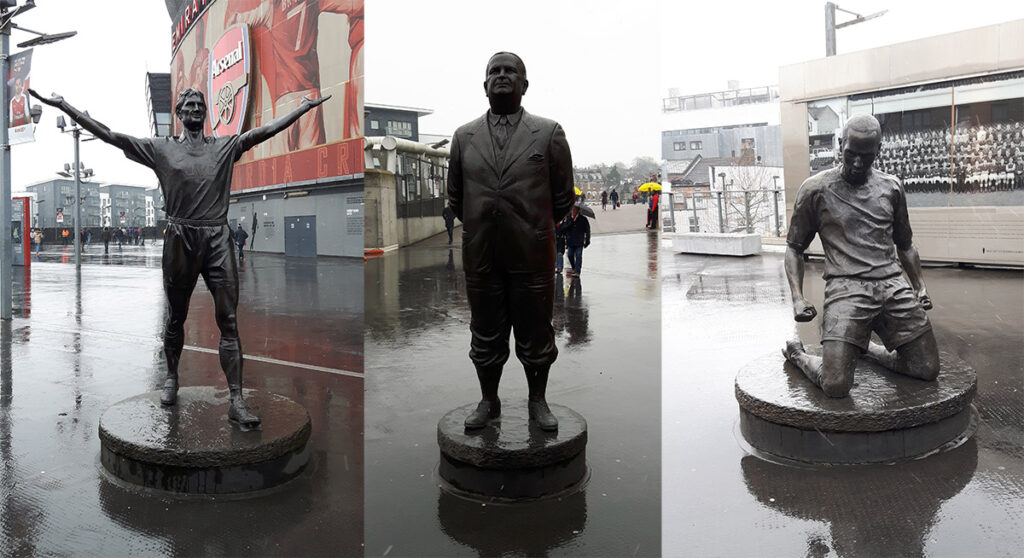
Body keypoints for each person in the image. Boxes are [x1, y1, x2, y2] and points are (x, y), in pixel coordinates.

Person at [31, 86, 329, 427]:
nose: (195, 108)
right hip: (180, 238)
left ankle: (236, 399)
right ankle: (172, 377)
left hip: (217, 236)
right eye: (188, 104)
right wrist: (67, 106)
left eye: (200, 104)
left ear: (205, 113)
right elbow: (111, 136)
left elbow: (264, 131)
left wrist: (303, 108)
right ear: (179, 113)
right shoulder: (161, 149)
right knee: (175, 317)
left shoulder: (224, 146)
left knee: (229, 319)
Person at [447, 52, 574, 431]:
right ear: (484, 84)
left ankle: (538, 401)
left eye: (510, 71)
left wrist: (529, 228)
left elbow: (563, 198)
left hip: (532, 254)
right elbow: (455, 197)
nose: (501, 76)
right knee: (485, 332)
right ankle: (489, 400)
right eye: (494, 71)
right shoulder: (463, 137)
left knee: (536, 332)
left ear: (524, 84)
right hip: (481, 254)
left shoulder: (549, 133)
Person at [783, 114, 939, 398]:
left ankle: (870, 352)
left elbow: (905, 244)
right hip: (847, 288)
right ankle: (798, 357)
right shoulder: (815, 189)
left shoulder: (891, 187)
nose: (857, 163)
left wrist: (919, 286)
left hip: (892, 284)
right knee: (836, 384)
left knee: (926, 368)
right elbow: (794, 248)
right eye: (851, 154)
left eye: (866, 157)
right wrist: (797, 297)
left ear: (878, 151)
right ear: (840, 145)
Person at [557, 204, 590, 278]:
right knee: (570, 255)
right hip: (570, 240)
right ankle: (574, 267)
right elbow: (563, 229)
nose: (573, 211)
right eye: (572, 210)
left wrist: (587, 240)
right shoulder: (568, 218)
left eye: (574, 209)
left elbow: (587, 230)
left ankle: (577, 272)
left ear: (578, 210)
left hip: (579, 241)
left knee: (578, 256)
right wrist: (568, 223)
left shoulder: (583, 219)